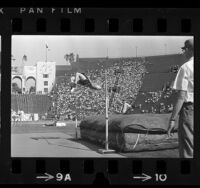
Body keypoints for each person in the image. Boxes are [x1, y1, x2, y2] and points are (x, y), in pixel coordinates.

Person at [167, 39, 194, 158]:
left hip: (190, 109)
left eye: (184, 49)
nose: (183, 52)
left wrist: (172, 119)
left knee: (188, 148)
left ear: (188, 49)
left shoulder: (186, 67)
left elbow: (181, 96)